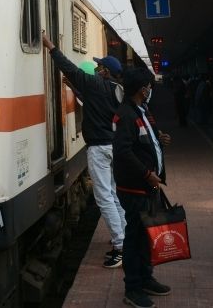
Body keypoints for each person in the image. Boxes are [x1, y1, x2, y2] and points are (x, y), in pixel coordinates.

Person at [41, 32, 126, 268]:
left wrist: (51, 47)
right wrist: (78, 91)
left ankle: (120, 247)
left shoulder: (96, 83)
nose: (97, 69)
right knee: (114, 193)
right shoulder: (115, 89)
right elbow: (95, 103)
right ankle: (125, 235)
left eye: (100, 67)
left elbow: (70, 68)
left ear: (106, 72)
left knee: (104, 197)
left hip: (99, 149)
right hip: (113, 146)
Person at [112, 67, 172, 308]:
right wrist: (147, 174)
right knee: (135, 238)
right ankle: (132, 288)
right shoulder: (125, 114)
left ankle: (146, 278)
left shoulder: (143, 110)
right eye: (148, 86)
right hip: (135, 188)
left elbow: (147, 139)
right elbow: (122, 151)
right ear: (141, 89)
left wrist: (161, 139)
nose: (150, 89)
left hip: (148, 186)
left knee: (147, 235)